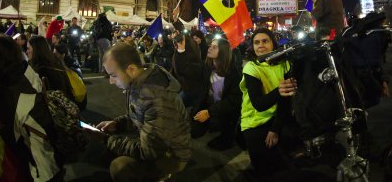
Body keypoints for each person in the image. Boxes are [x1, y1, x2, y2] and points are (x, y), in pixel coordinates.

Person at [87, 43, 191, 182]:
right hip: (154, 141)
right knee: (107, 155)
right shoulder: (139, 80)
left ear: (131, 69)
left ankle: (161, 176)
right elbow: (138, 115)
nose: (111, 81)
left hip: (172, 154)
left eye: (113, 75)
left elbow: (149, 151)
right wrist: (117, 124)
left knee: (119, 168)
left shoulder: (157, 98)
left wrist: (106, 139)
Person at [0, 35, 64, 181]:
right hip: (52, 151)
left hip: (35, 166)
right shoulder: (28, 71)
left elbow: (7, 138)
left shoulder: (2, 93)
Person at [239, 28, 298, 176]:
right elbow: (259, 104)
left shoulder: (285, 64)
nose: (260, 45)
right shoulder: (251, 67)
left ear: (273, 43)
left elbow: (286, 101)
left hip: (277, 117)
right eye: (256, 42)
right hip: (254, 121)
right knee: (264, 169)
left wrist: (275, 129)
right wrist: (279, 90)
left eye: (265, 41)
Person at [192, 38, 242, 151]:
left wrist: (210, 112)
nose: (210, 48)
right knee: (194, 130)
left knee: (218, 134)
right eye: (210, 45)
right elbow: (202, 92)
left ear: (223, 52)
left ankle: (226, 136)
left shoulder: (234, 74)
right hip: (210, 106)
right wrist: (197, 110)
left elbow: (233, 101)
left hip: (226, 111)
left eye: (215, 47)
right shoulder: (208, 68)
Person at [27, 35, 74, 100]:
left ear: (36, 50)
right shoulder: (55, 62)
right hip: (65, 103)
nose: (27, 52)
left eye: (28, 48)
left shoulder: (40, 70)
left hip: (51, 107)